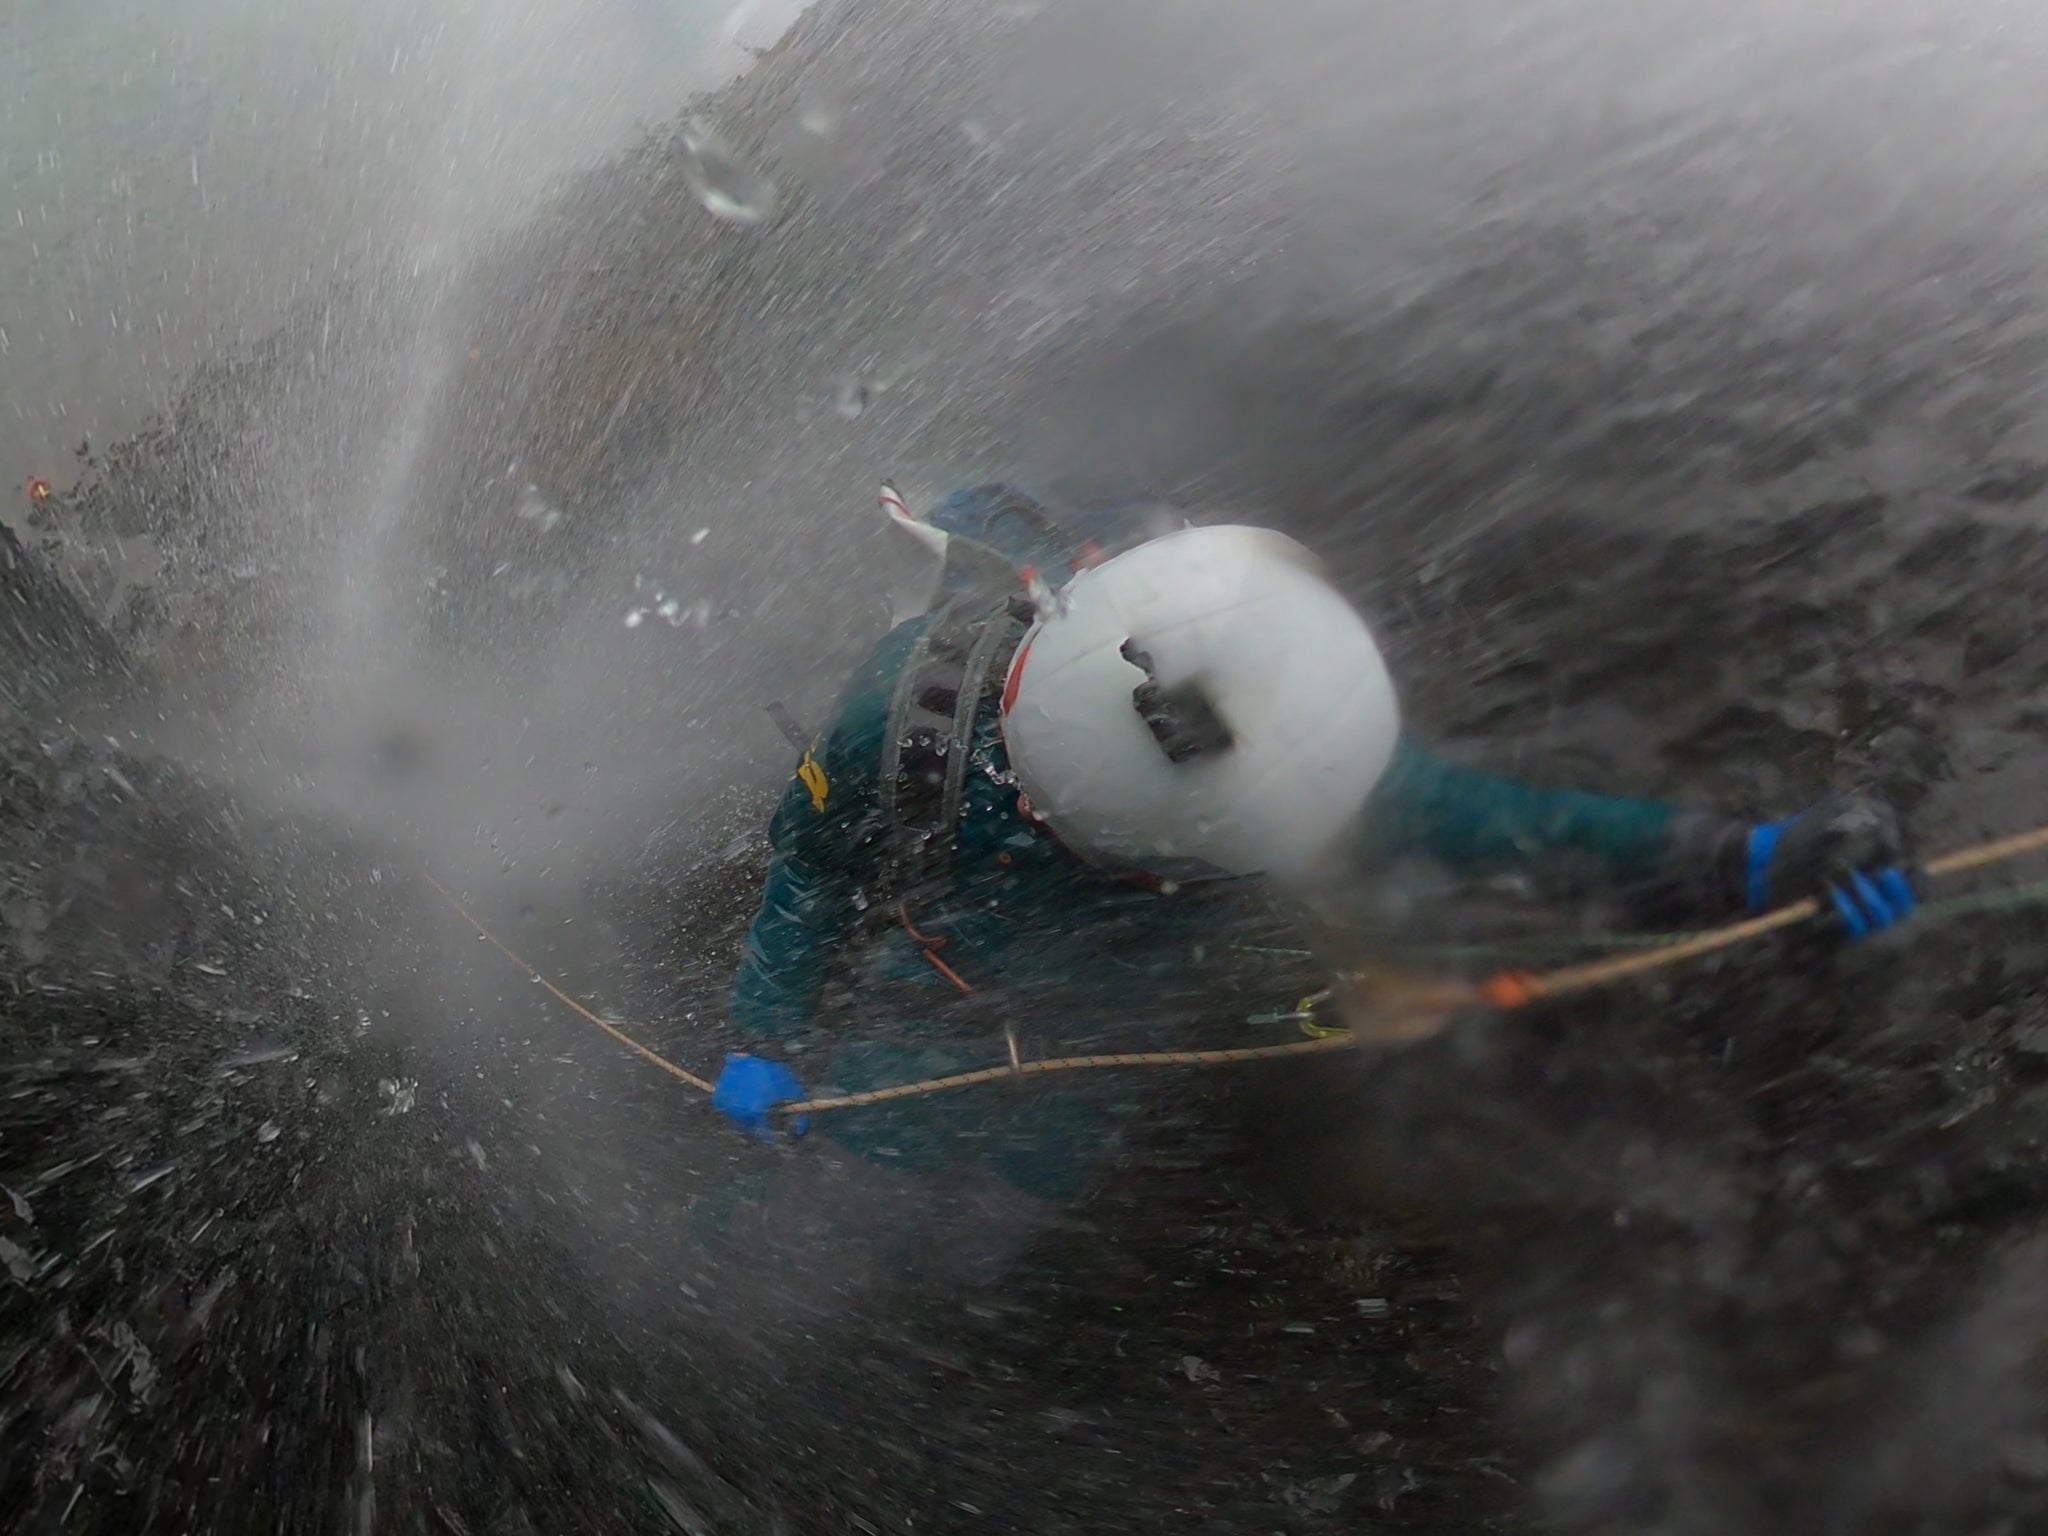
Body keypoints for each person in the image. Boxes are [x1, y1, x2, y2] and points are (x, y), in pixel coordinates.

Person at [708, 484, 1918, 1198]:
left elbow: (1477, 824)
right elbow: (811, 872)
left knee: (1058, 1132)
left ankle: (980, 511)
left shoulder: (1274, 716)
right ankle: (948, 521)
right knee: (1021, 1120)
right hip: (989, 859)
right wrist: (773, 1044)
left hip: (1113, 840)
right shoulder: (896, 735)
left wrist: (1741, 861)